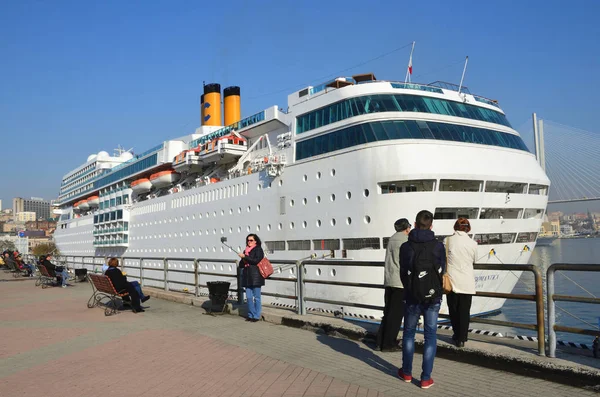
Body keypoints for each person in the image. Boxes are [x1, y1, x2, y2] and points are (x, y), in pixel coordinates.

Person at [398, 210, 446, 389]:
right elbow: (442, 269)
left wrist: (410, 288)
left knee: (409, 333)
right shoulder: (438, 246)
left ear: (415, 224)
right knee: (430, 336)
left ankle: (407, 373)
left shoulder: (406, 246)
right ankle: (426, 378)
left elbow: (403, 272)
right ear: (431, 225)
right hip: (433, 297)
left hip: (412, 296)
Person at [377, 218, 411, 352]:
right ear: (406, 228)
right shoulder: (405, 240)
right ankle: (389, 343)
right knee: (396, 315)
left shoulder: (391, 239)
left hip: (389, 280)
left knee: (388, 312)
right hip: (399, 282)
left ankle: (380, 341)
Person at [444, 218, 477, 348]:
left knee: (453, 309)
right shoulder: (473, 243)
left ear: (455, 227)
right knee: (464, 310)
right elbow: (475, 260)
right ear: (468, 228)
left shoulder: (447, 240)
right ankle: (462, 338)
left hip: (451, 280)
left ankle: (456, 334)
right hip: (467, 281)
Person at [238, 233, 265, 322]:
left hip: (256, 275)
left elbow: (256, 260)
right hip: (247, 275)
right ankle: (251, 314)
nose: (249, 242)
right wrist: (243, 258)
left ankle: (256, 316)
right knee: (249, 297)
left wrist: (245, 256)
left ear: (255, 241)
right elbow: (241, 265)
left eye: (251, 240)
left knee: (257, 297)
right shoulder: (246, 250)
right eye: (248, 240)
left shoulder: (258, 249)